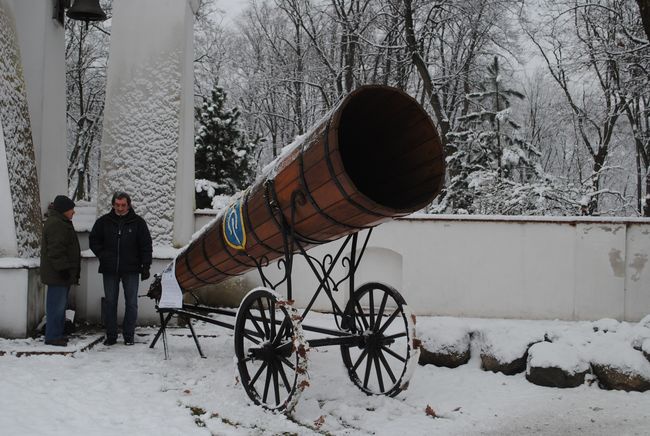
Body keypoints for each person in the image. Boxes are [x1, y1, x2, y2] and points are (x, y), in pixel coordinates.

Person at [89, 192, 152, 346]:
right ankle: (111, 335)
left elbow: (146, 246)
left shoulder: (138, 223)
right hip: (110, 269)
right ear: (113, 205)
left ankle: (129, 335)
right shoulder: (103, 222)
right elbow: (94, 241)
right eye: (117, 205)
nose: (120, 208)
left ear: (128, 205)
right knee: (110, 302)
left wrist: (146, 265)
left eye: (123, 205)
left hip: (131, 269)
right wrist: (103, 255)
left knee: (131, 303)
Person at [40, 195, 81, 346]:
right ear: (64, 210)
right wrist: (63, 269)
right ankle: (52, 336)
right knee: (56, 306)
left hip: (59, 273)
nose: (73, 212)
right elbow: (56, 250)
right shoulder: (57, 224)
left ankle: (56, 333)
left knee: (59, 306)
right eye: (71, 209)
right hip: (57, 274)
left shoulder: (60, 222)